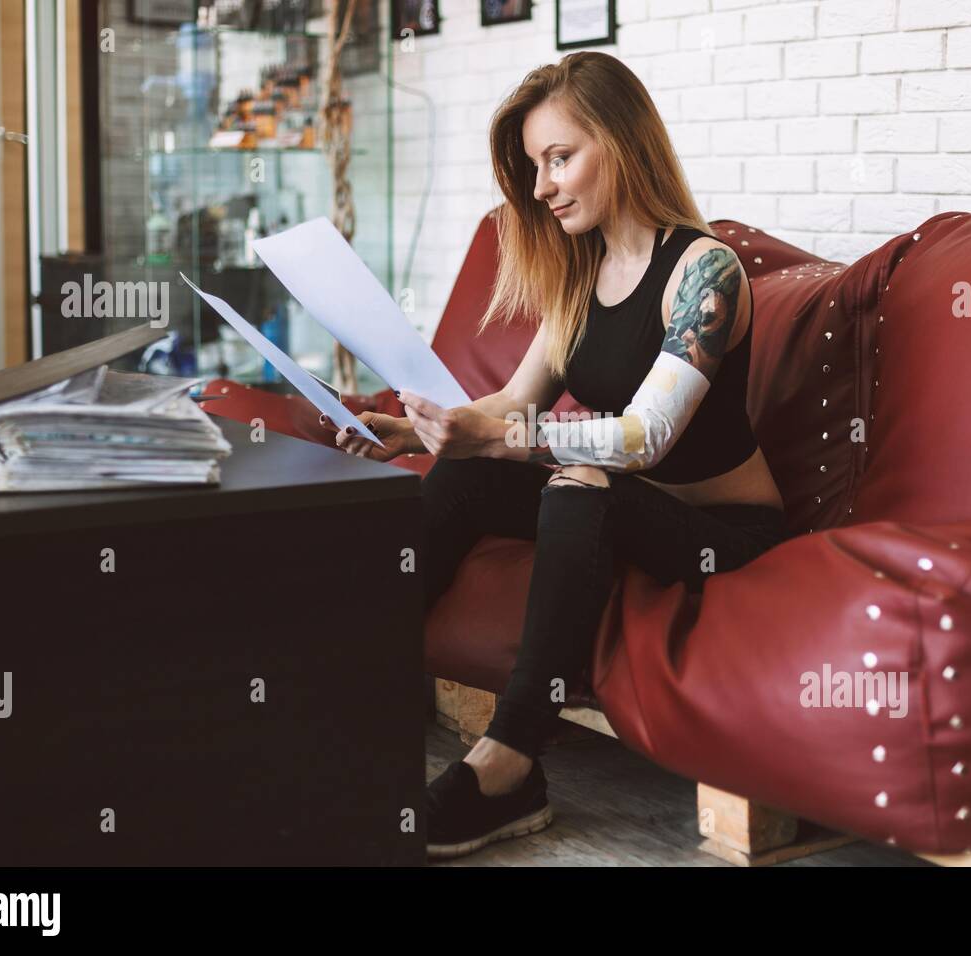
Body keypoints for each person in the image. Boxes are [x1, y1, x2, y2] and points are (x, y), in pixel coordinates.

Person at [330, 50, 791, 860]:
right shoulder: (580, 275)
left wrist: (506, 438)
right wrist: (428, 428)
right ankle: (347, 694)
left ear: (621, 141)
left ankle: (510, 765)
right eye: (537, 165)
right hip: (626, 508)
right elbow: (514, 405)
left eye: (559, 157)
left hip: (726, 534)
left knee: (579, 484)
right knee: (474, 469)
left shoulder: (704, 272)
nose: (541, 187)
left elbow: (645, 439)